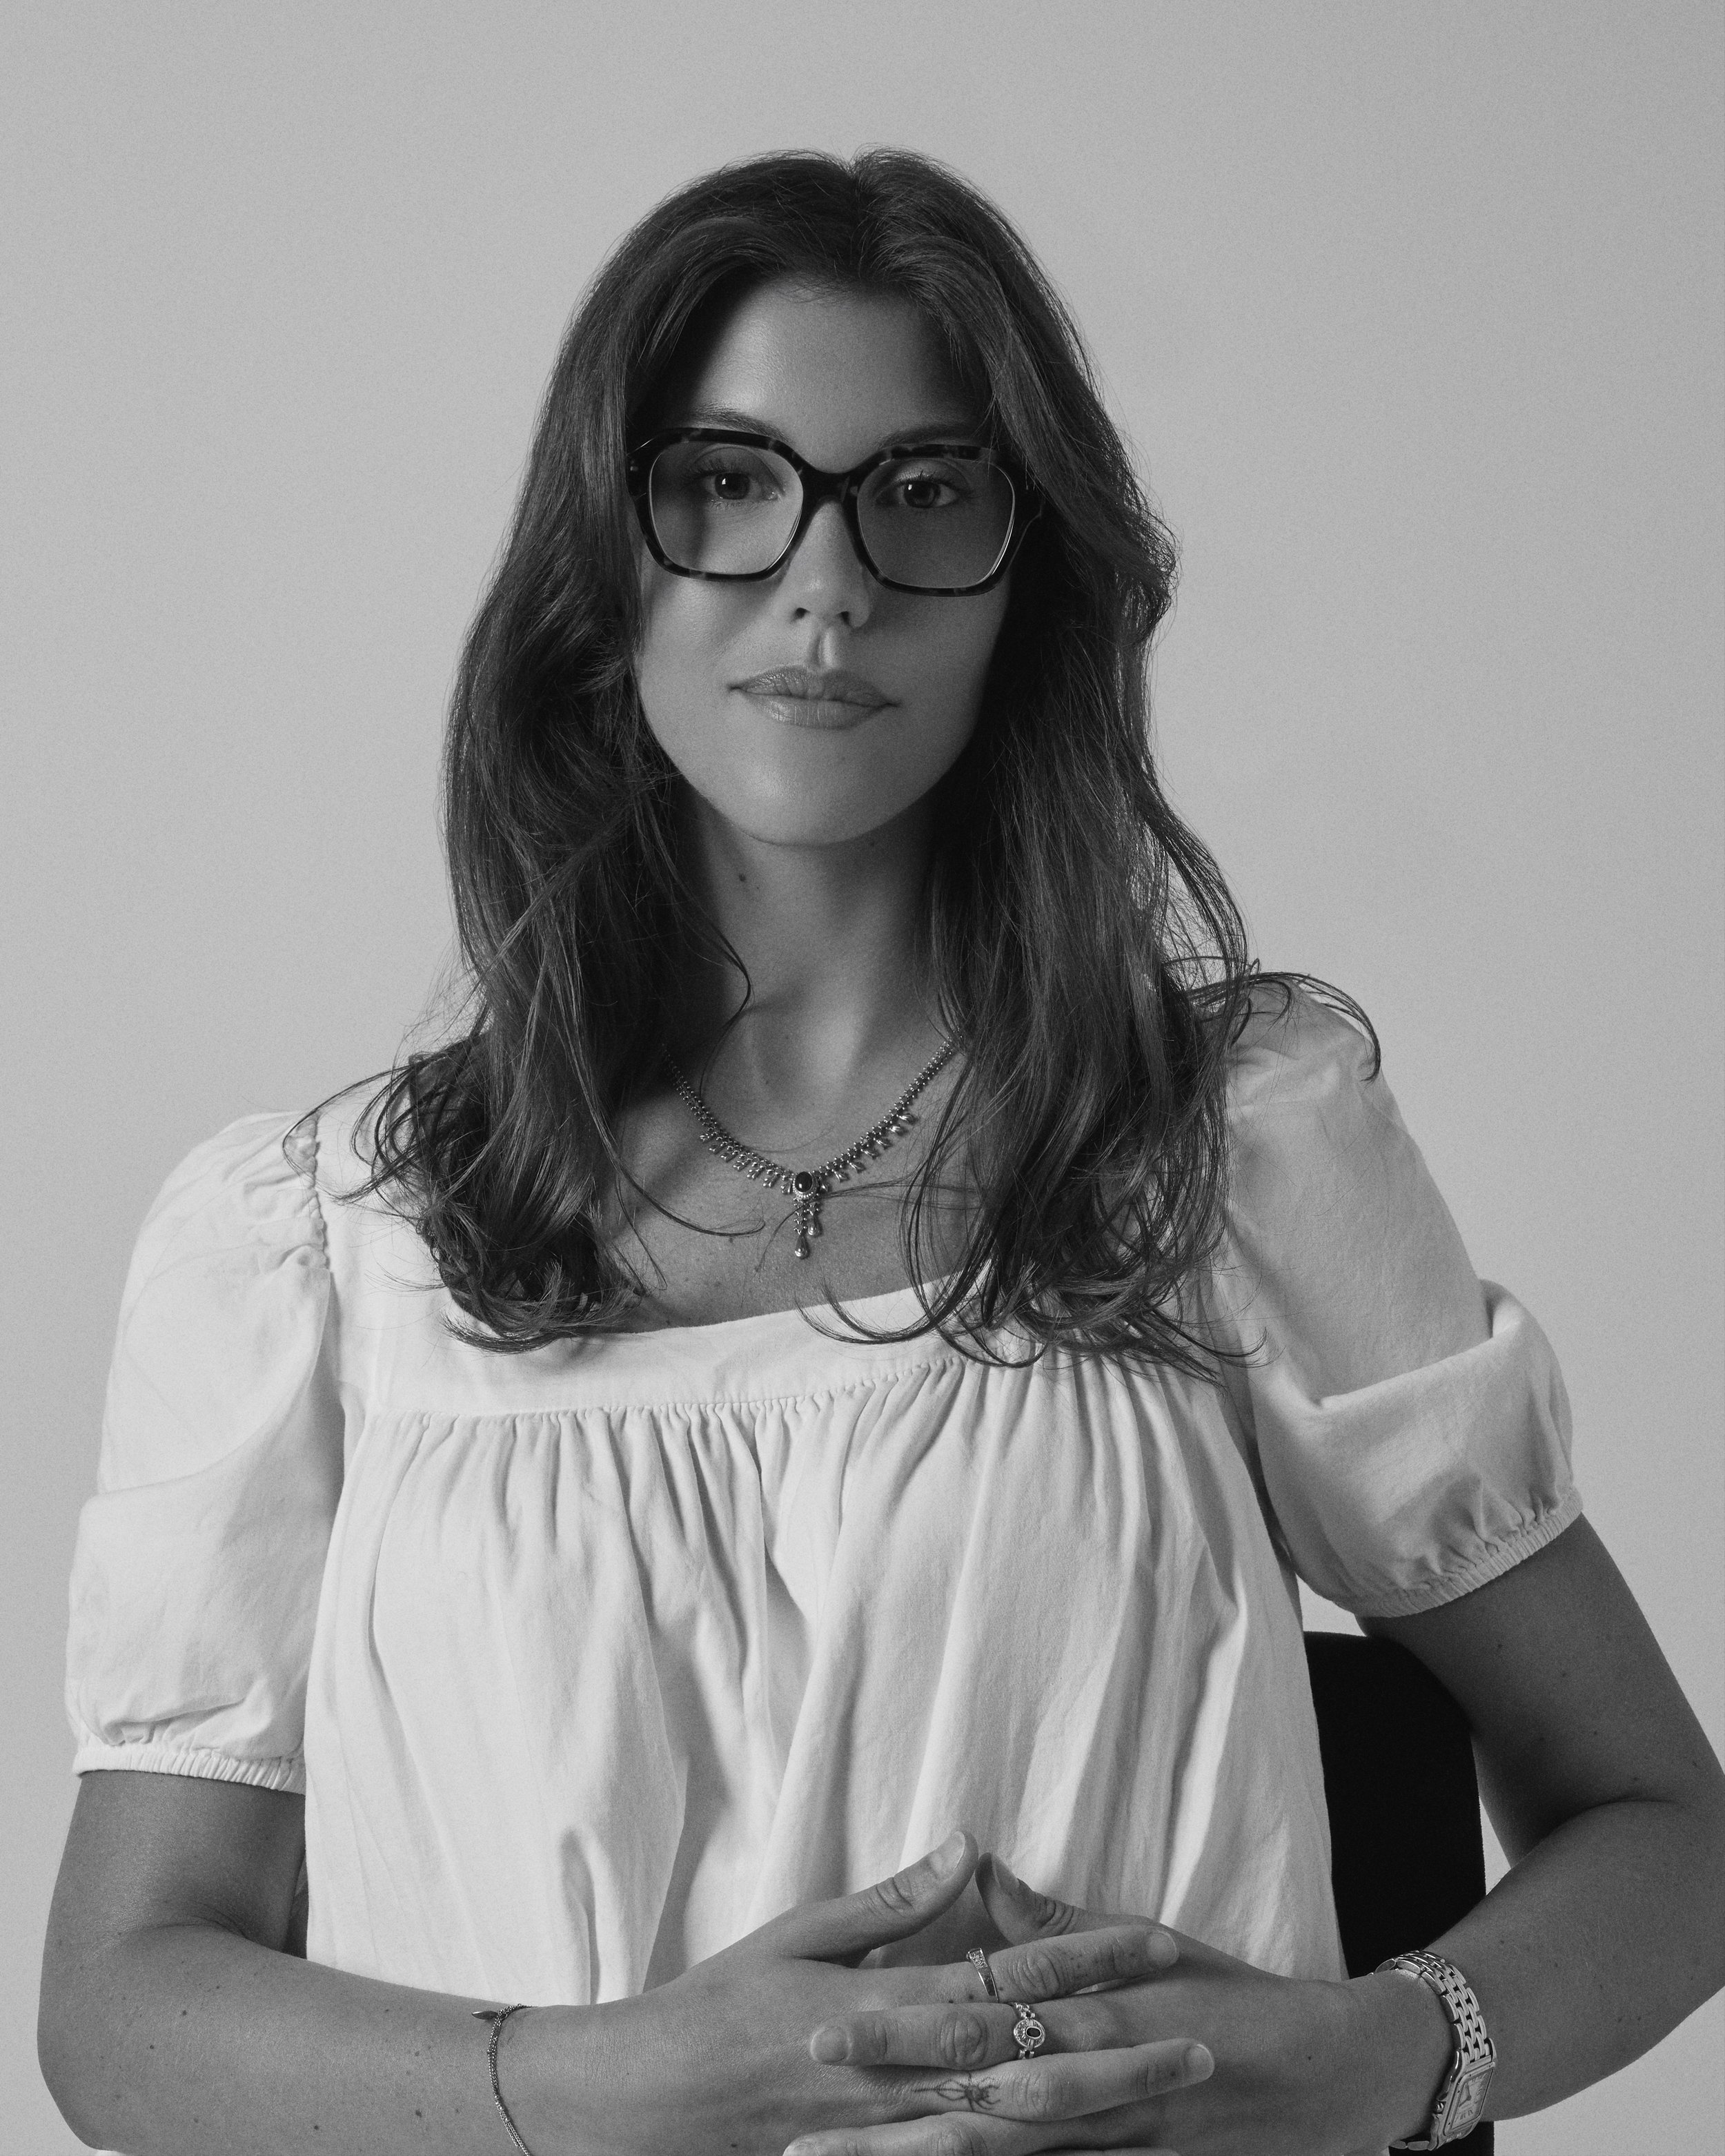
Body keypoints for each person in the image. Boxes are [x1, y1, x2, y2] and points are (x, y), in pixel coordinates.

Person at [39, 148, 1724, 2156]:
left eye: (921, 493)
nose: (822, 585)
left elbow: (1664, 1825)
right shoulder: (313, 1245)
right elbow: (120, 2006)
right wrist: (601, 2082)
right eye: (725, 485)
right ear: (604, 568)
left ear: (1031, 575)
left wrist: (1381, 2057)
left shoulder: (1217, 1145)